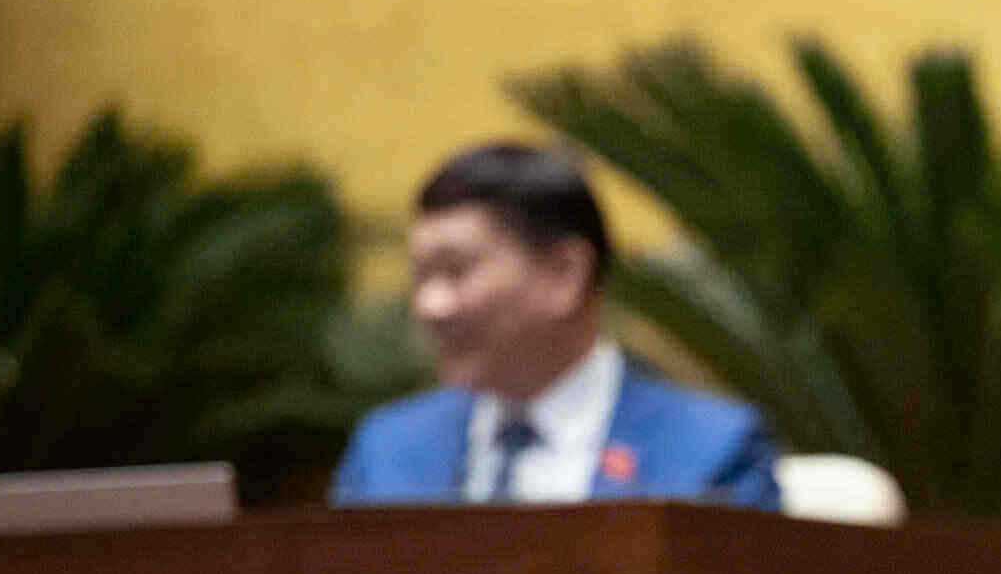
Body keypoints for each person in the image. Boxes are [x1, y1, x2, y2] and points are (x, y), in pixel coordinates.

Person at [330, 142, 780, 508]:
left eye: (455, 271)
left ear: (564, 274)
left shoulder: (711, 451)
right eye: (422, 276)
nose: (430, 305)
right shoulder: (385, 450)